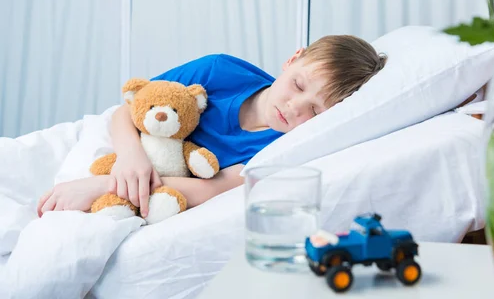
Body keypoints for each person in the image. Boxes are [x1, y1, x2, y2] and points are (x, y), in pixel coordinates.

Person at [37, 35, 388, 218]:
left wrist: (102, 187)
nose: (294, 108)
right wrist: (130, 157)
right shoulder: (219, 71)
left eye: (315, 110)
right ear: (293, 59)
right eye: (298, 85)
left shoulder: (281, 150)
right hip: (126, 151)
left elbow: (212, 190)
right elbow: (127, 110)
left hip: (144, 186)